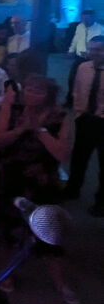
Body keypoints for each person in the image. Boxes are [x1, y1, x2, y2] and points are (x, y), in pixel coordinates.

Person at [0, 76, 77, 303]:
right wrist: (20, 130)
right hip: (12, 178)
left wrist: (40, 129)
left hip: (43, 182)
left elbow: (61, 153)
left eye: (39, 90)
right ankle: (7, 276)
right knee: (9, 230)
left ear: (49, 93)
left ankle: (60, 282)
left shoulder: (61, 116)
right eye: (29, 88)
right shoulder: (13, 109)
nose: (32, 93)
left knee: (50, 232)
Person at [66, 35, 104, 215]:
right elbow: (77, 90)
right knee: (79, 158)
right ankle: (72, 189)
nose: (94, 53)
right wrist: (78, 113)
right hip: (85, 119)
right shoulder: (82, 67)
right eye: (92, 49)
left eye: (99, 49)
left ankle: (101, 201)